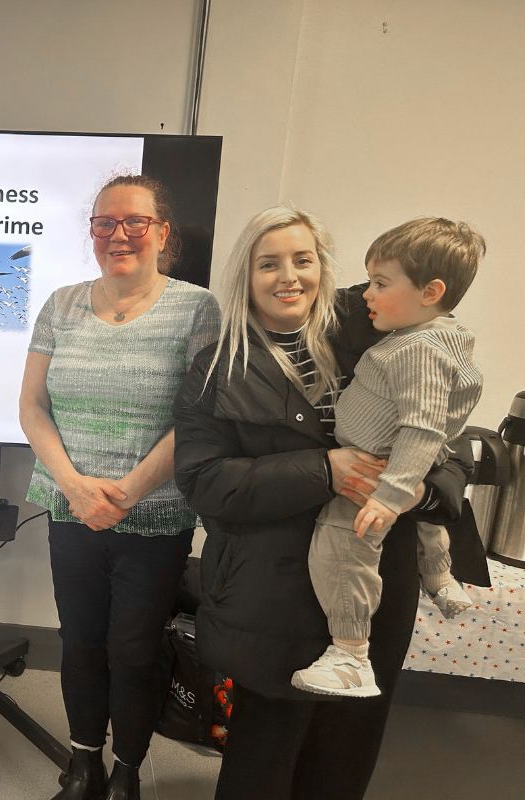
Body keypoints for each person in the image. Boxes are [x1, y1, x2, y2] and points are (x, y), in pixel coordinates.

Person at [173, 206, 472, 800]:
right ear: (245, 277)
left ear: (323, 269)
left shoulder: (380, 334)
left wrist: (423, 490)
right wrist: (322, 470)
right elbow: (206, 482)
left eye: (303, 260)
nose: (289, 276)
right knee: (265, 754)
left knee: (348, 747)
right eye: (269, 263)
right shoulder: (217, 369)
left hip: (379, 580)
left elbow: (448, 442)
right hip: (273, 587)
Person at [19, 175, 220, 800]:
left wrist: (127, 493)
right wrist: (76, 488)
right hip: (70, 509)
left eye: (134, 222)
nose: (118, 236)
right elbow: (31, 409)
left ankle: (127, 769)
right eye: (105, 223)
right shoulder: (62, 304)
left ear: (162, 232)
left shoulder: (198, 309)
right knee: (79, 642)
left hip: (156, 516)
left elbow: (199, 420)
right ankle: (83, 764)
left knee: (133, 650)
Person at [291, 218, 484, 698]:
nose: (367, 295)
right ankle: (439, 576)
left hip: (373, 472)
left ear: (430, 291)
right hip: (396, 462)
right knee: (423, 520)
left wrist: (393, 493)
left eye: (380, 284)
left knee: (342, 543)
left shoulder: (416, 349)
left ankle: (350, 654)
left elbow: (423, 426)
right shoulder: (437, 338)